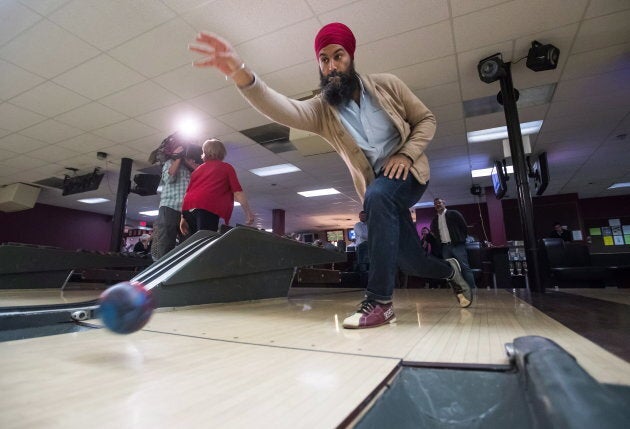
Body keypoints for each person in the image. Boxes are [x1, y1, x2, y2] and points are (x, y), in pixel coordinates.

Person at [188, 23, 472, 329]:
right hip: (379, 191)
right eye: (324, 60)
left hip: (410, 172)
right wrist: (240, 72)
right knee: (409, 260)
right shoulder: (323, 111)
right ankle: (452, 271)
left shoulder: (388, 85)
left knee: (378, 196)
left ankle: (379, 302)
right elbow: (283, 108)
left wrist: (406, 153)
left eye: (338, 56)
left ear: (350, 56)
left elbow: (425, 119)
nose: (332, 65)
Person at [179, 139, 254, 235]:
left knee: (194, 244)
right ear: (222, 152)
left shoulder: (197, 171)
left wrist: (183, 217)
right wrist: (248, 213)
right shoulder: (226, 168)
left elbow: (188, 193)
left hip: (189, 208)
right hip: (206, 206)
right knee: (205, 241)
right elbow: (238, 192)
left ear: (204, 153)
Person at [154, 143, 198, 260]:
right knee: (165, 245)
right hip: (169, 206)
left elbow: (201, 173)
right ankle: (160, 273)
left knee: (187, 245)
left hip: (186, 211)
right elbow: (169, 178)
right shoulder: (169, 163)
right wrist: (178, 157)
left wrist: (188, 161)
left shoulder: (190, 169)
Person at [430, 198, 476, 290]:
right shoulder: (435, 219)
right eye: (435, 204)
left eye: (439, 202)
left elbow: (463, 226)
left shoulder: (454, 213)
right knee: (452, 270)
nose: (437, 205)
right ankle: (459, 290)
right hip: (445, 247)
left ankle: (472, 289)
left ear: (444, 203)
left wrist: (461, 239)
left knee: (464, 267)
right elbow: (434, 230)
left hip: (457, 245)